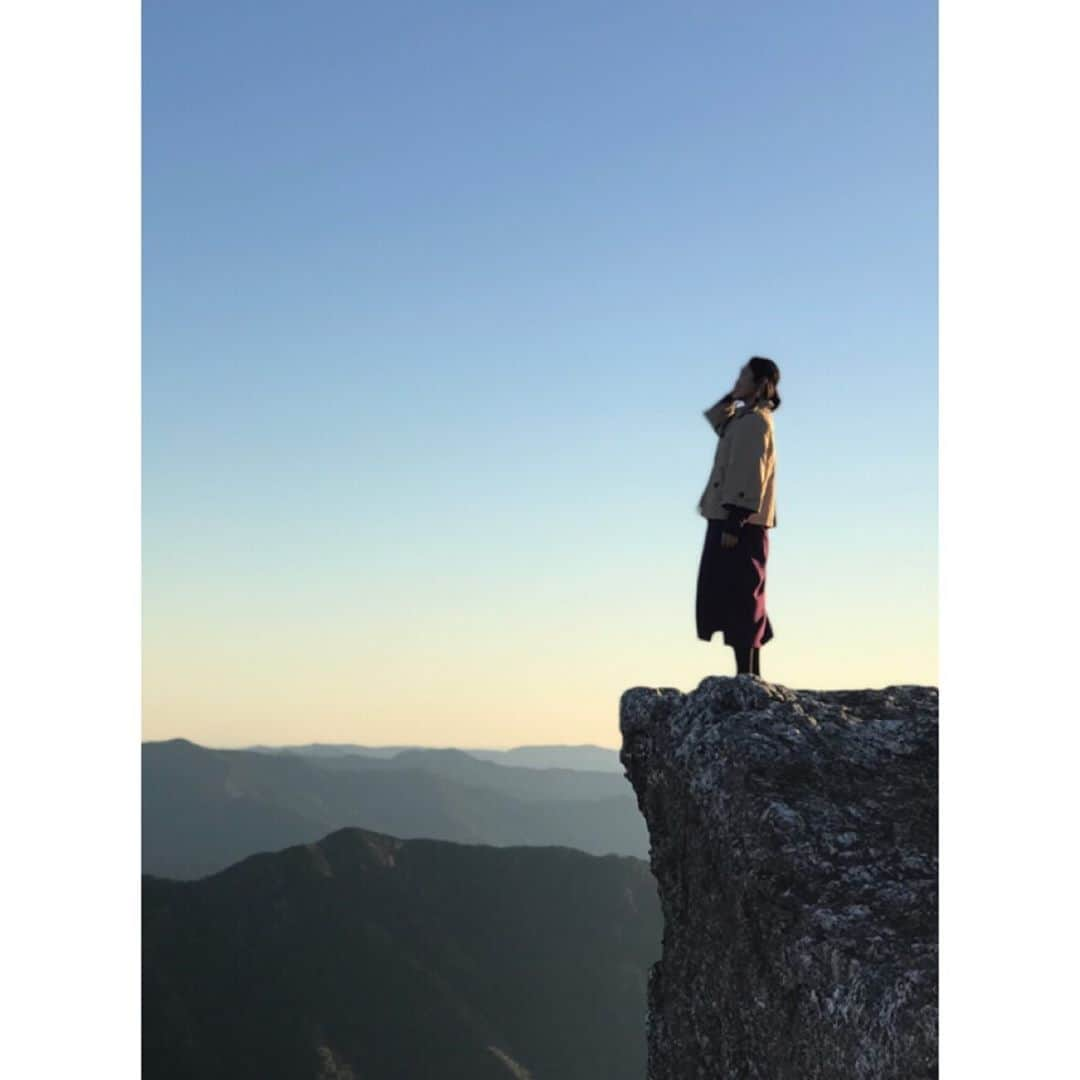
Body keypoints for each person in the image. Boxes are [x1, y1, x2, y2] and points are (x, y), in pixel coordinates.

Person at [694, 356, 781, 677]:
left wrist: (735, 522)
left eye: (744, 376)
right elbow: (717, 419)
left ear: (760, 384)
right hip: (731, 518)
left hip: (739, 522)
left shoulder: (756, 422)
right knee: (735, 596)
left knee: (743, 598)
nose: (737, 380)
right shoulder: (742, 419)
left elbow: (749, 475)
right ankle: (748, 676)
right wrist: (734, 395)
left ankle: (748, 677)